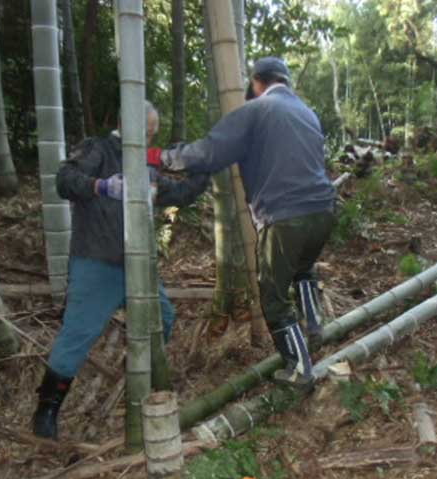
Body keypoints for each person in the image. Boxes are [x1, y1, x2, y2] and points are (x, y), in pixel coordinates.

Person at [150, 57, 335, 388]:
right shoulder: (307, 113)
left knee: (273, 294)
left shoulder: (257, 110)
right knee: (303, 268)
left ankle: (300, 369)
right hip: (324, 209)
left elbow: (210, 151)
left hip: (285, 216)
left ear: (257, 83)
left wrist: (164, 157)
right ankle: (315, 324)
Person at [32, 102, 209, 440]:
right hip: (97, 262)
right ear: (125, 125)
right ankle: (46, 412)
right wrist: (103, 186)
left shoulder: (146, 165)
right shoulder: (97, 149)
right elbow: (65, 180)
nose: (148, 139)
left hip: (138, 267)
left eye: (152, 135)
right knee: (76, 336)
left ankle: (140, 381)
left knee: (163, 318)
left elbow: (180, 194)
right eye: (146, 133)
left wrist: (205, 170)